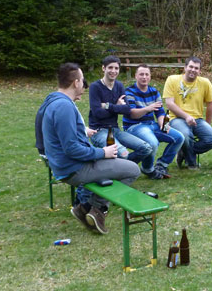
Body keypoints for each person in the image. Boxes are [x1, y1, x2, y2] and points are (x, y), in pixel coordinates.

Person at [37, 63, 140, 234]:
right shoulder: (63, 106)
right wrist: (102, 152)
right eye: (82, 80)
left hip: (66, 165)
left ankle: (84, 208)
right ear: (76, 82)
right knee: (133, 170)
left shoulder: (54, 101)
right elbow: (72, 149)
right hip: (73, 168)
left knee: (117, 163)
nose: (84, 84)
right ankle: (98, 209)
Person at [88, 55, 153, 173]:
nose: (113, 71)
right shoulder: (95, 87)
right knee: (123, 153)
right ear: (103, 68)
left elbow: (127, 109)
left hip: (115, 130)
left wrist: (108, 106)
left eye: (116, 68)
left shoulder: (119, 86)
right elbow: (98, 113)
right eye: (110, 67)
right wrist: (118, 106)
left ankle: (123, 169)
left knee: (146, 148)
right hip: (99, 131)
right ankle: (119, 171)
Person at [123, 64, 185, 179]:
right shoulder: (129, 92)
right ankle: (147, 169)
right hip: (135, 126)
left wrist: (163, 124)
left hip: (151, 125)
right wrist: (148, 108)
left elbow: (160, 112)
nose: (144, 77)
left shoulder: (154, 91)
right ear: (136, 76)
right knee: (153, 142)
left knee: (179, 137)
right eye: (141, 74)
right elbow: (132, 114)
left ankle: (162, 165)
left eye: (147, 74)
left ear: (150, 76)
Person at [162, 56, 212, 169]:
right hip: (175, 118)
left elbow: (210, 104)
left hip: (197, 119)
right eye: (191, 67)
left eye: (196, 68)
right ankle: (191, 163)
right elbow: (169, 104)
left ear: (200, 71)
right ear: (185, 67)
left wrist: (208, 124)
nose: (193, 70)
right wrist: (186, 116)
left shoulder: (205, 83)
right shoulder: (172, 80)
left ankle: (183, 151)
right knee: (186, 134)